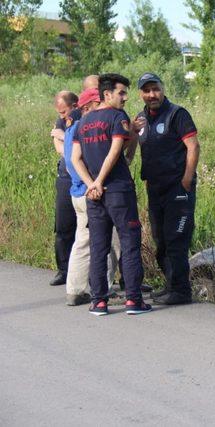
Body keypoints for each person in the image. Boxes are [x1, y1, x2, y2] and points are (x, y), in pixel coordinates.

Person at [71, 73, 151, 316]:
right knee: (129, 242)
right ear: (107, 94)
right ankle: (133, 300)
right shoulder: (117, 117)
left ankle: (99, 302)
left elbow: (75, 158)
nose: (125, 98)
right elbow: (116, 153)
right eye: (121, 93)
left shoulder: (82, 123)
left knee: (99, 246)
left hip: (94, 195)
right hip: (117, 191)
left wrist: (91, 185)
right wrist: (99, 181)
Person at [130, 73, 200, 305]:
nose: (152, 95)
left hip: (178, 188)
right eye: (147, 90)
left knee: (176, 239)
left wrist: (187, 179)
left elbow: (193, 146)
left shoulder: (177, 114)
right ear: (141, 93)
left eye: (155, 89)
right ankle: (171, 285)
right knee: (161, 241)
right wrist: (131, 132)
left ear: (163, 89)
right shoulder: (140, 119)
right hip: (155, 189)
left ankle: (181, 291)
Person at [63, 88, 121, 306]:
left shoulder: (73, 130)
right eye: (98, 103)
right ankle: (102, 289)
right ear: (87, 107)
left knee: (83, 242)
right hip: (90, 193)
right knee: (107, 242)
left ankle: (75, 289)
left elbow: (69, 161)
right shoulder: (86, 129)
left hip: (77, 192)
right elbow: (83, 161)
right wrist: (93, 185)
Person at [49, 91, 81, 286]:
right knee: (63, 226)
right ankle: (63, 269)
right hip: (65, 177)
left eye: (64, 111)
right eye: (59, 112)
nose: (62, 116)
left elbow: (65, 144)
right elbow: (59, 149)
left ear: (75, 105)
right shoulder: (62, 120)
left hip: (81, 177)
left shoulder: (82, 118)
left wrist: (62, 136)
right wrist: (60, 137)